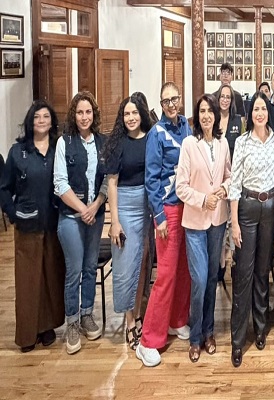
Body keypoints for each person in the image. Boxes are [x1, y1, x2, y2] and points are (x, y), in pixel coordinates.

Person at [0, 100, 64, 353]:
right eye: (37, 117)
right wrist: (12, 213)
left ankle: (47, 327)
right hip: (27, 226)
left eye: (46, 116)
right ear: (30, 121)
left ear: (52, 121)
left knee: (50, 277)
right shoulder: (18, 152)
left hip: (54, 224)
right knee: (28, 281)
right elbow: (4, 188)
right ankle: (27, 333)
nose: (41, 121)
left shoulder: (59, 148)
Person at [137, 82, 192, 367]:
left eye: (174, 99)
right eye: (165, 100)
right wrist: (158, 216)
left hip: (188, 208)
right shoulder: (156, 134)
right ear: (160, 104)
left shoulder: (187, 127)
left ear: (180, 100)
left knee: (184, 271)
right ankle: (148, 340)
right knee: (166, 275)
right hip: (168, 210)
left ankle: (177, 320)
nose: (171, 104)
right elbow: (151, 179)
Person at [176, 94, 231, 363]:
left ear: (216, 115)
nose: (207, 115)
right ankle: (195, 336)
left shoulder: (223, 143)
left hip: (217, 221)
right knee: (198, 279)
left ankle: (209, 332)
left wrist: (224, 189)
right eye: (202, 111)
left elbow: (230, 176)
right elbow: (181, 187)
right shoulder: (189, 144)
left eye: (210, 111)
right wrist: (202, 199)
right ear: (197, 117)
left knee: (211, 278)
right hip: (195, 222)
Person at [54, 91, 107, 355]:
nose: (84, 117)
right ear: (73, 115)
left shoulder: (103, 142)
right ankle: (72, 322)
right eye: (79, 112)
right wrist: (83, 209)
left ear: (94, 115)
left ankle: (87, 314)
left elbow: (108, 178)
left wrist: (95, 206)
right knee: (74, 270)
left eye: (88, 112)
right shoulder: (64, 142)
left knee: (89, 267)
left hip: (95, 216)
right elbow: (60, 183)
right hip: (71, 218)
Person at [229, 91, 274, 367]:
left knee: (262, 270)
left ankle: (260, 327)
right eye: (256, 109)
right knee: (244, 274)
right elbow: (234, 184)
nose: (260, 113)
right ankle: (237, 340)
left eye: (263, 108)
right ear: (250, 114)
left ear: (268, 112)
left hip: (270, 208)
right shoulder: (242, 142)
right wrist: (234, 223)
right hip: (247, 210)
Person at [101, 94, 153, 350]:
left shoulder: (151, 138)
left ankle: (138, 312)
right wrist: (115, 221)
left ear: (142, 114)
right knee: (124, 267)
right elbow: (111, 183)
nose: (131, 118)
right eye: (126, 114)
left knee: (142, 263)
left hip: (147, 206)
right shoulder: (117, 143)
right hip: (125, 206)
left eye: (134, 113)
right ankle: (130, 322)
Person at [217, 83, 244, 158]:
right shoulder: (213, 120)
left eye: (228, 97)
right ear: (218, 98)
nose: (225, 100)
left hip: (233, 162)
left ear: (231, 100)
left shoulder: (238, 121)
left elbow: (243, 146)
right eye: (222, 96)